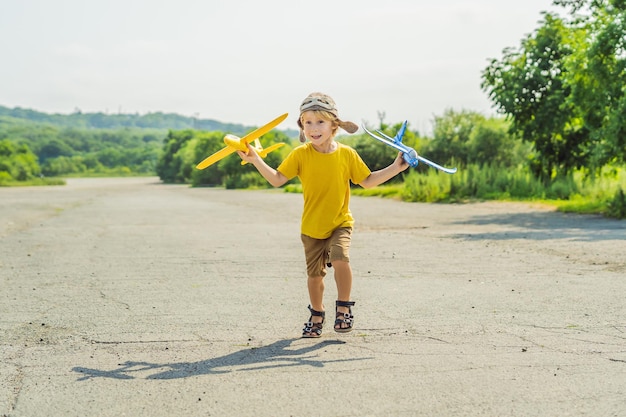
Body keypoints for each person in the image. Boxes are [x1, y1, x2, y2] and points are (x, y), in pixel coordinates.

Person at [237, 92, 410, 338]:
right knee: (315, 277)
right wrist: (255, 159)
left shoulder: (347, 154)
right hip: (311, 227)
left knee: (341, 257)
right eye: (307, 122)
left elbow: (368, 181)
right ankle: (317, 313)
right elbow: (277, 179)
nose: (313, 128)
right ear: (301, 126)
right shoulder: (300, 155)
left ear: (334, 125)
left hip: (340, 222)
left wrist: (396, 167)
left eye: (319, 122)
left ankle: (344, 308)